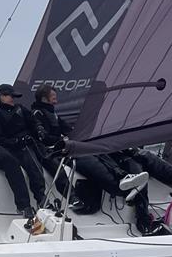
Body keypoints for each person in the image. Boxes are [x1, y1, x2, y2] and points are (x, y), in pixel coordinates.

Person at [31, 85, 153, 234]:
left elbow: (68, 129)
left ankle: (122, 176)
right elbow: (42, 137)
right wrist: (63, 139)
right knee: (95, 167)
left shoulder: (54, 114)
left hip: (70, 147)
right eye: (53, 97)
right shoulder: (37, 114)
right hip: (58, 152)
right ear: (45, 98)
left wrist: (81, 136)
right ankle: (120, 190)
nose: (56, 100)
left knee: (99, 152)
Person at [0, 84, 47, 217]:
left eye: (13, 96)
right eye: (10, 96)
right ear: (1, 96)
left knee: (35, 168)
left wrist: (39, 128)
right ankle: (24, 206)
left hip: (25, 147)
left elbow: (33, 121)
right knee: (16, 172)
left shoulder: (20, 109)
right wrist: (14, 142)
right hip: (10, 149)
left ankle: (41, 198)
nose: (13, 98)